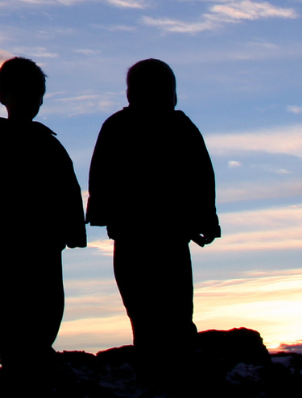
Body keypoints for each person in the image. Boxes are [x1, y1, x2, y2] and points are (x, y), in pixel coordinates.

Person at [85, 58, 220, 390]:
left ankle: (167, 382)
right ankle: (170, 382)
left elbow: (201, 178)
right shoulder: (172, 127)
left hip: (152, 241)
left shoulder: (133, 126)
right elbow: (202, 178)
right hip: (154, 241)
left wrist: (206, 217)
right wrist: (206, 218)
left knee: (157, 321)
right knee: (163, 321)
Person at [0, 57, 88, 385]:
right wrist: (0, 235)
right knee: (12, 306)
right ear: (3, 96)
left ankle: (38, 355)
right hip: (10, 246)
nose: (31, 101)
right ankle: (16, 367)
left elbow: (68, 187)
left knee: (48, 304)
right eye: (23, 93)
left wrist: (74, 228)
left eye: (36, 94)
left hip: (47, 244)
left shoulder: (47, 142)